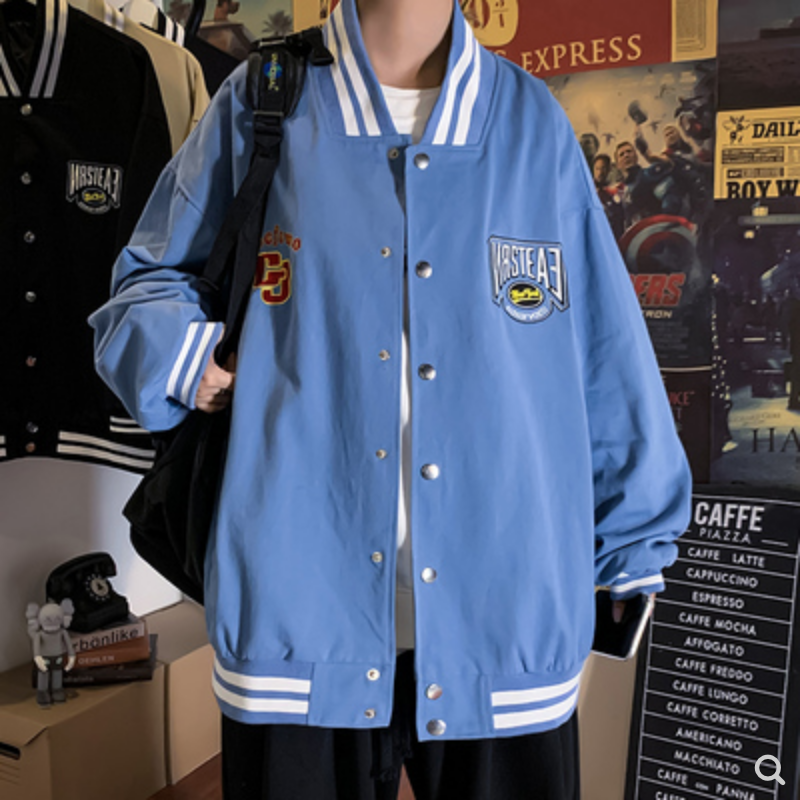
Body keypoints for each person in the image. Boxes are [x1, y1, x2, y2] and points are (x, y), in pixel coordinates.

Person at [89, 0, 692, 797]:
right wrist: (184, 358)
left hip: (504, 606)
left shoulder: (526, 120)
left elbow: (604, 347)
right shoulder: (266, 96)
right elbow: (147, 279)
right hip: (298, 599)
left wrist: (635, 539)